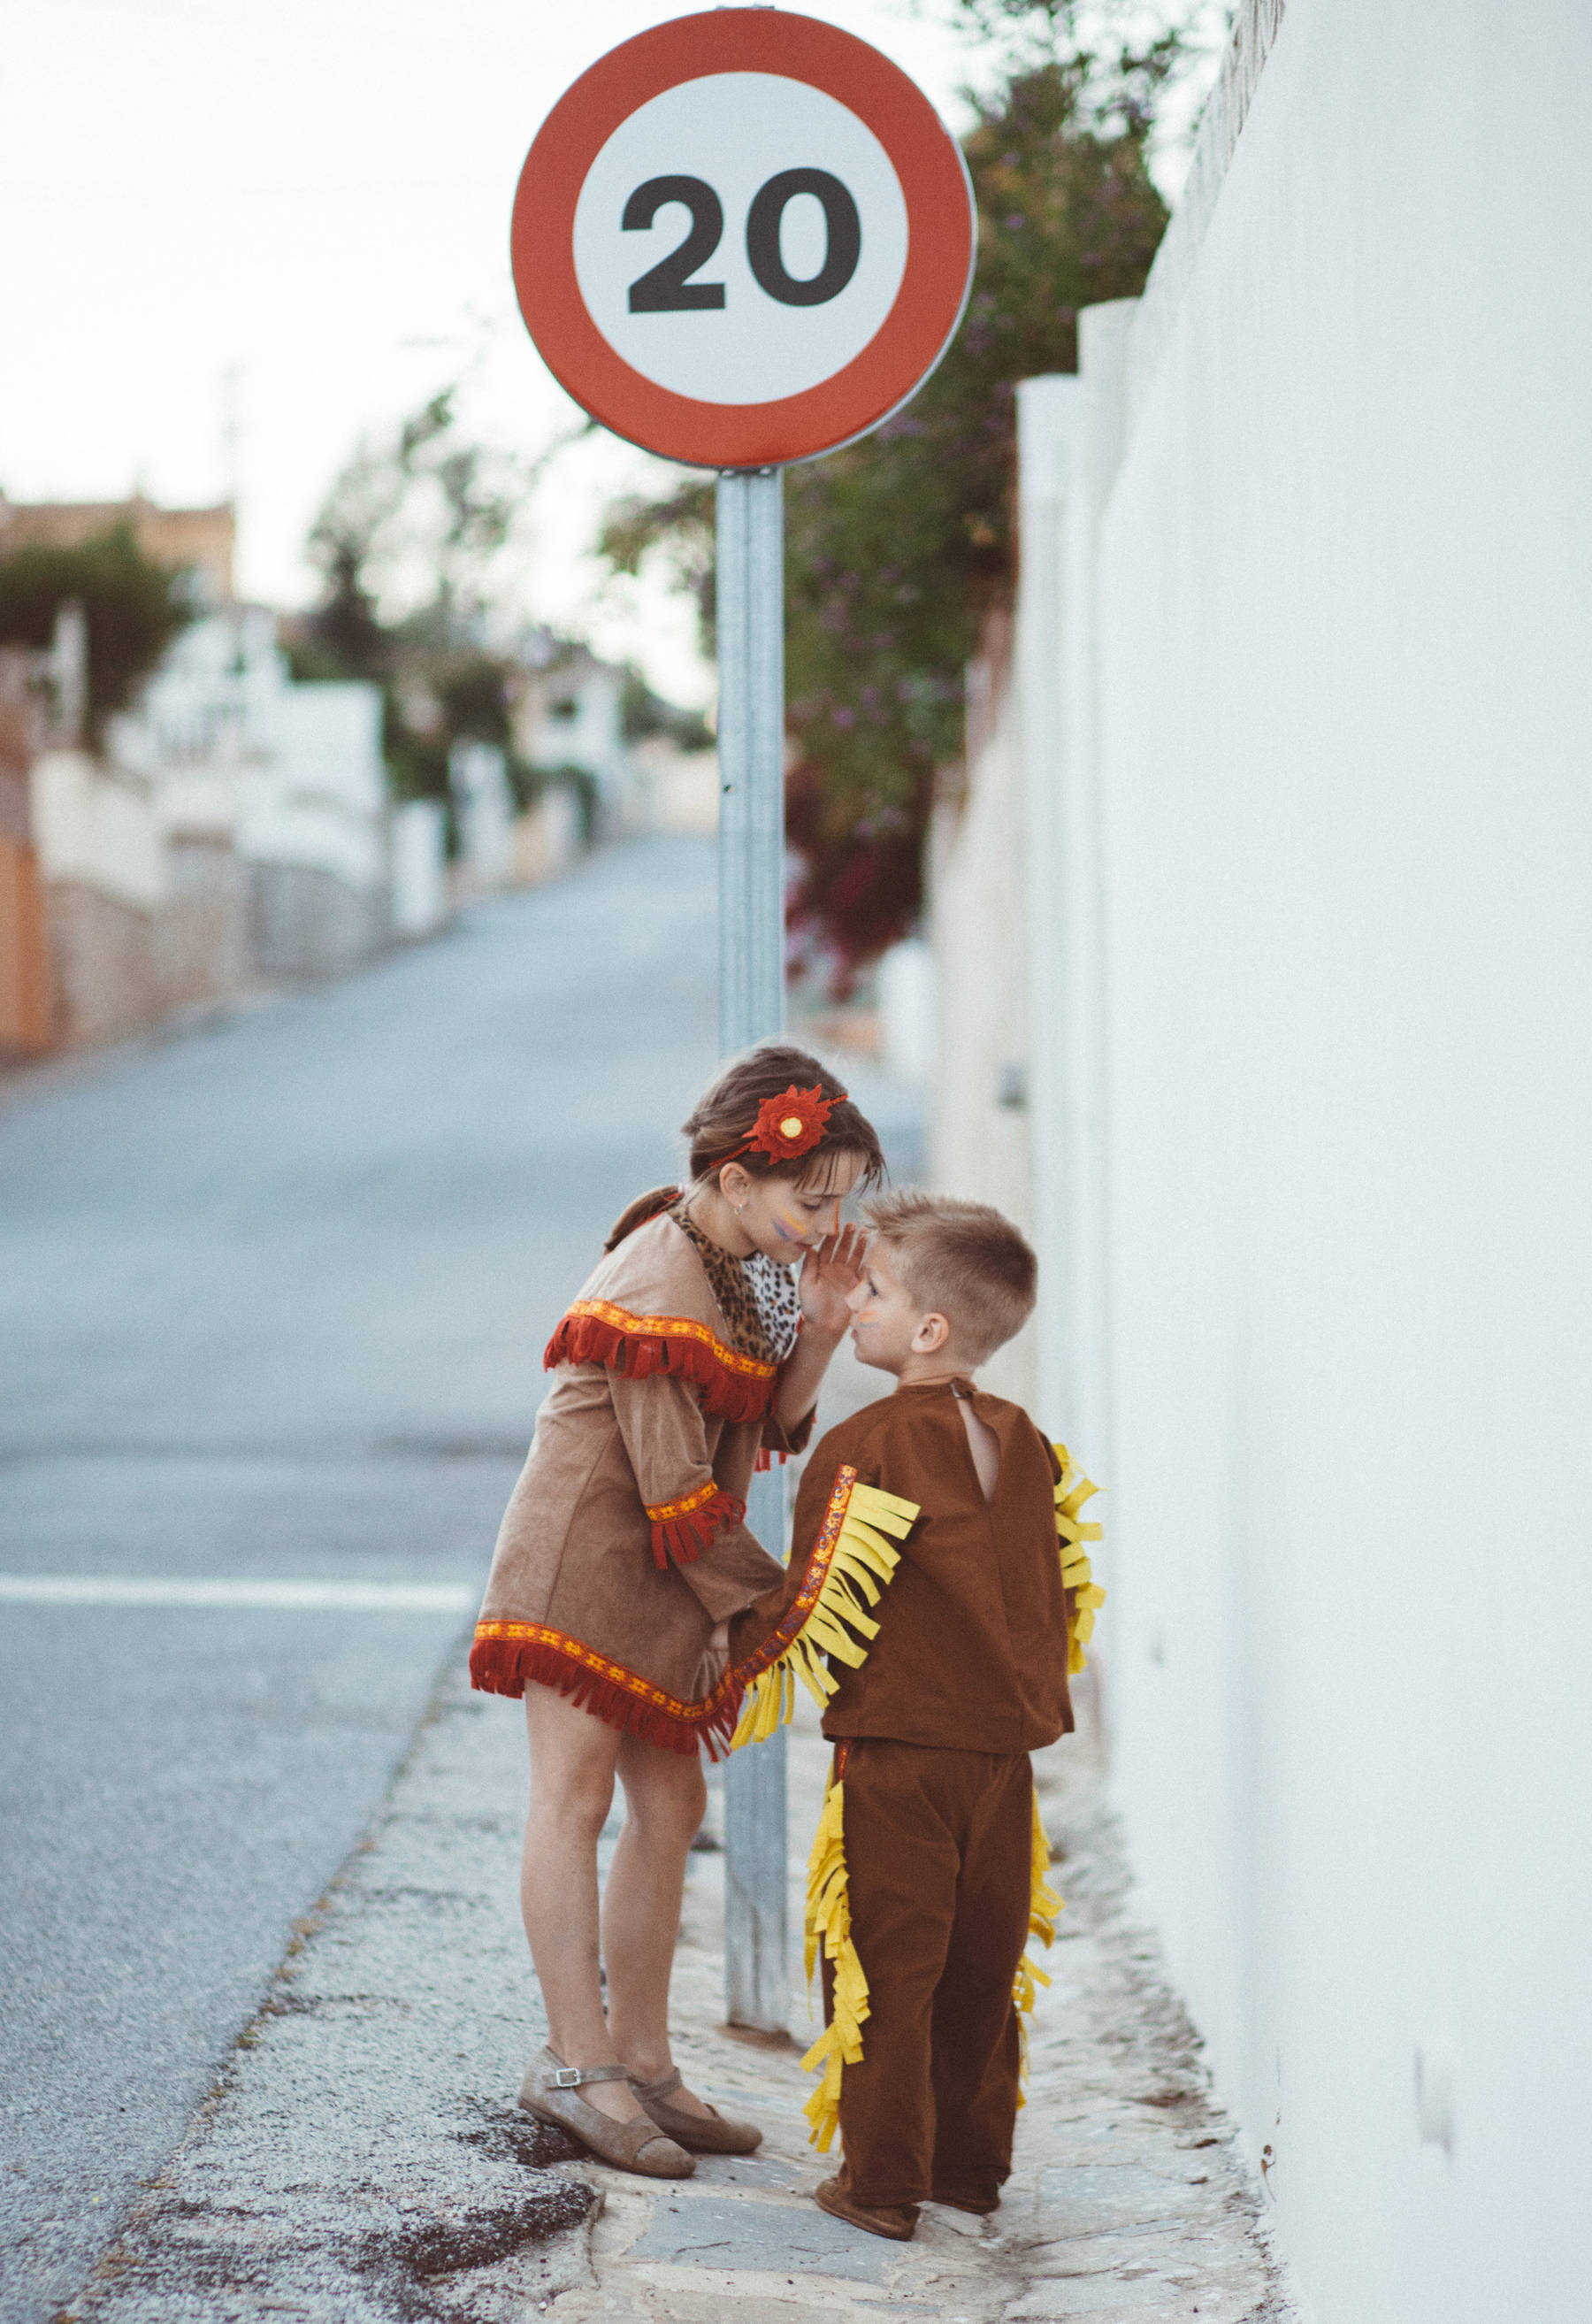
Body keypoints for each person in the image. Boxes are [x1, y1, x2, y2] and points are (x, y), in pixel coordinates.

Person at [470, 1046, 883, 2179]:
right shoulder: (660, 1276)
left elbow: (767, 1427)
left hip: (656, 1565)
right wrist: (775, 1605)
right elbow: (673, 1487)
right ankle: (574, 2065)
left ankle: (642, 2060)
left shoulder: (738, 1260)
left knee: (671, 1799)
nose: (827, 1220)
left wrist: (825, 1326)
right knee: (575, 1791)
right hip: (584, 1566)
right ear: (737, 1175)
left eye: (841, 1200)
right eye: (814, 1197)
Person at [723, 1190, 1105, 2239]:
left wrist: (715, 1657)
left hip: (898, 1757)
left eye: (875, 1291)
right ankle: (969, 2170)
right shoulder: (1026, 1442)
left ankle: (880, 2183)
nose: (859, 1303)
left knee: (889, 1962)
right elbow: (1057, 1589)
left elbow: (809, 1598)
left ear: (929, 1329)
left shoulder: (865, 1443)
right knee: (983, 1967)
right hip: (1003, 1761)